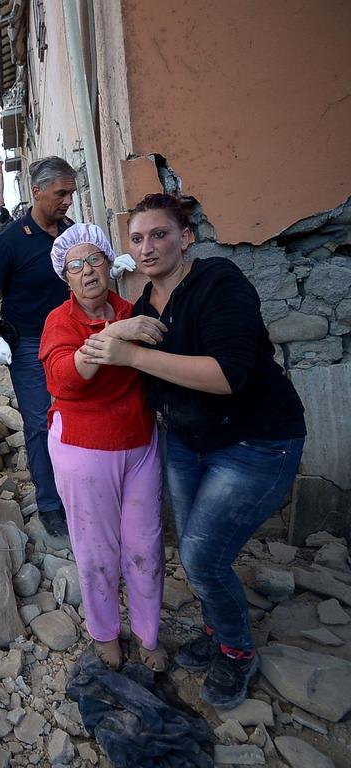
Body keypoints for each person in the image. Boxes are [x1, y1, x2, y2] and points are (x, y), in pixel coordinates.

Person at [81, 193, 307, 709]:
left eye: (159, 234)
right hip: (187, 441)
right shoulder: (142, 310)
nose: (147, 246)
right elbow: (98, 366)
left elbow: (228, 375)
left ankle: (237, 651)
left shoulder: (219, 282)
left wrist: (131, 354)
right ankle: (216, 626)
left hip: (256, 441)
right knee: (197, 547)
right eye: (136, 239)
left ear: (187, 238)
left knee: (202, 557)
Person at [39, 223, 167, 672]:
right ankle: (104, 632)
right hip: (84, 446)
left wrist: (126, 326)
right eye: (76, 266)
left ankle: (148, 633)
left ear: (110, 264)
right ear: (66, 277)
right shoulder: (61, 321)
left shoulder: (131, 310)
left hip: (139, 442)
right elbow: (65, 380)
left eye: (94, 260)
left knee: (145, 546)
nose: (87, 271)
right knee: (96, 549)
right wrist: (116, 334)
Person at [0, 156, 77, 537]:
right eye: (60, 193)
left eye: (70, 193)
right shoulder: (9, 242)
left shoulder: (72, 234)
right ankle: (51, 503)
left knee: (78, 418)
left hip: (74, 341)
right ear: (37, 192)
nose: (67, 200)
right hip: (31, 347)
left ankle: (80, 492)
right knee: (40, 424)